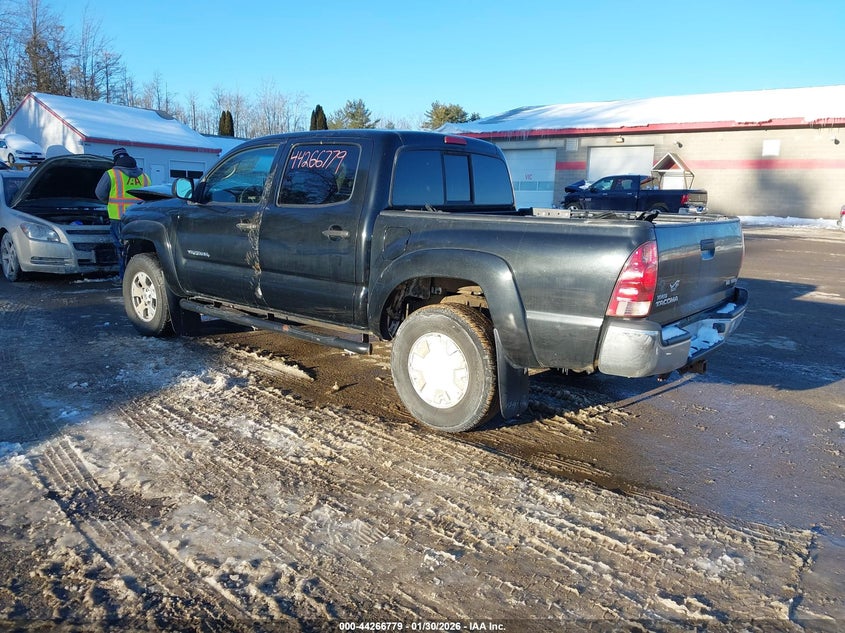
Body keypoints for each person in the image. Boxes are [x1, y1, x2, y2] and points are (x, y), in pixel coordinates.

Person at [96, 147, 150, 279]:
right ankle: (135, 277)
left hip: (118, 218)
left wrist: (109, 202)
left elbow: (100, 193)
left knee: (122, 250)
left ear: (115, 160)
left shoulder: (111, 174)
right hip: (140, 219)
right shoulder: (144, 176)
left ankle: (123, 278)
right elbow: (149, 196)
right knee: (138, 250)